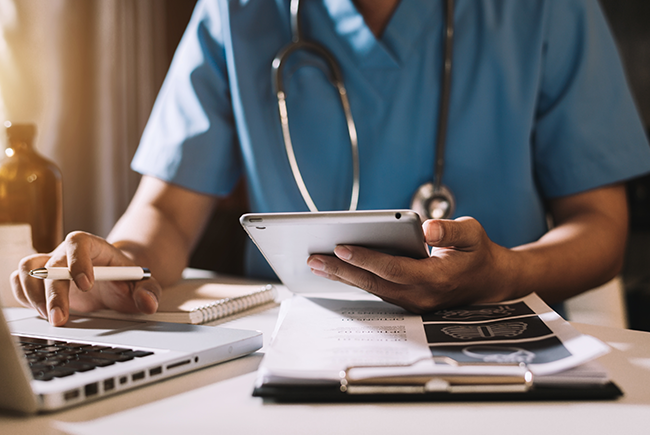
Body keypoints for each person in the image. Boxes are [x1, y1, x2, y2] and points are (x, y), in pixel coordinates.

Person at [11, 0, 650, 326]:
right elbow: (166, 216)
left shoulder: (546, 10)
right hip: (295, 348)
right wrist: (117, 266)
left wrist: (506, 273)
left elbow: (601, 225)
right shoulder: (237, 12)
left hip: (493, 339)